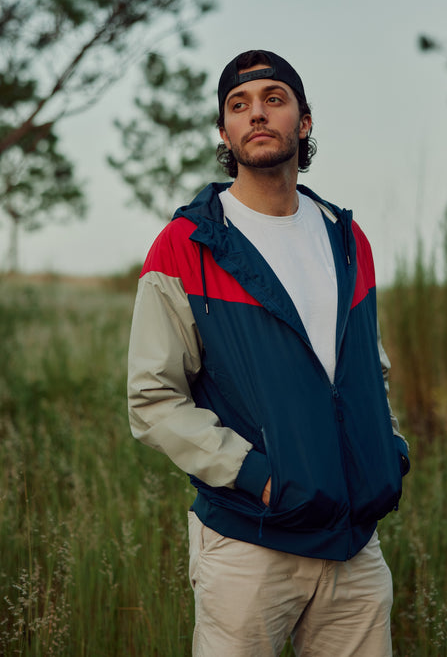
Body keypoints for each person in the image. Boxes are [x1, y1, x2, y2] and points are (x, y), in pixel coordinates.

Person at [127, 49, 410, 657]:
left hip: (355, 547)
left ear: (303, 122)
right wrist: (256, 477)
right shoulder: (187, 246)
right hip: (249, 549)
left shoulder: (346, 236)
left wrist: (387, 447)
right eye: (239, 105)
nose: (257, 114)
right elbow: (153, 398)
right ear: (224, 133)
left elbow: (369, 366)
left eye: (273, 100)